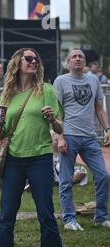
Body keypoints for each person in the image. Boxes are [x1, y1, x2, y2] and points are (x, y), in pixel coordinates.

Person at [0, 48, 65, 247]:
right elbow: (0, 132)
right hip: (13, 159)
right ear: (18, 63)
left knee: (46, 214)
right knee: (6, 216)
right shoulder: (7, 94)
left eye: (36, 59)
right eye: (29, 59)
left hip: (40, 157)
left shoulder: (47, 90)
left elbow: (60, 128)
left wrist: (53, 119)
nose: (33, 62)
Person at [54, 48, 110, 231]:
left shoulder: (93, 80)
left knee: (103, 176)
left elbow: (99, 108)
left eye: (81, 56)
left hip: (90, 137)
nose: (77, 59)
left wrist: (107, 129)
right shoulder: (61, 81)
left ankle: (101, 216)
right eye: (74, 57)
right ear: (68, 62)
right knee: (66, 180)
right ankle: (69, 219)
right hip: (68, 135)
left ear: (84, 62)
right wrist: (60, 137)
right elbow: (57, 112)